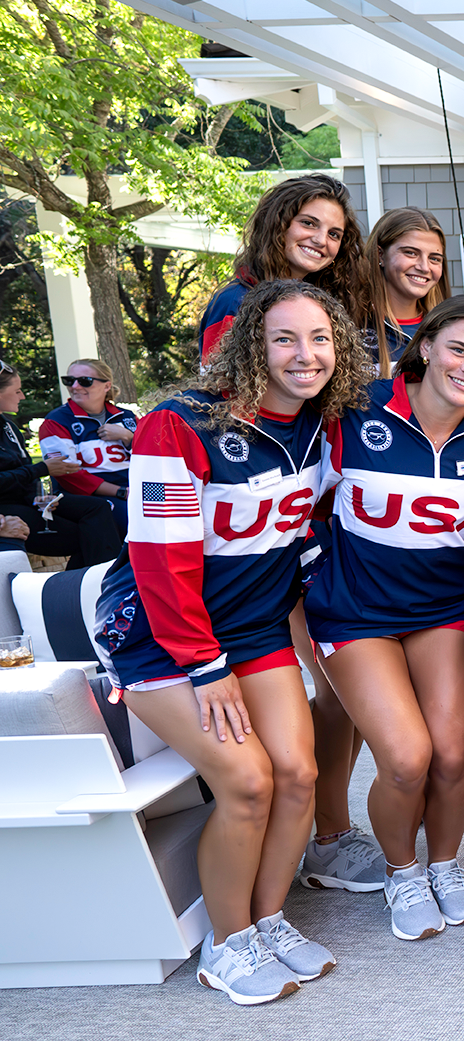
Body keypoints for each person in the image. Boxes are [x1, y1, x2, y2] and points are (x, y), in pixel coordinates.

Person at [96, 280, 371, 1005]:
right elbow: (160, 561)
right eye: (285, 338)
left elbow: (304, 528)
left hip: (252, 627)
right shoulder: (178, 425)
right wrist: (202, 665)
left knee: (300, 775)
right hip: (163, 637)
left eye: (319, 338)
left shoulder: (321, 423)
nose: (305, 354)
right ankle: (228, 943)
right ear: (251, 343)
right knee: (249, 783)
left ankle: (269, 920)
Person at [301, 296, 464, 941]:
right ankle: (402, 872)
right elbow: (294, 504)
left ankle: (443, 866)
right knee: (405, 758)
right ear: (425, 346)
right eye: (459, 348)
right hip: (355, 612)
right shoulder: (353, 409)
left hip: (443, 611)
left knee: (451, 757)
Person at [200, 174, 365, 359]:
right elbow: (219, 384)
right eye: (308, 223)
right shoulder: (234, 302)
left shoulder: (329, 303)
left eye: (334, 234)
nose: (321, 240)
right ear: (277, 225)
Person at [0, 361, 120, 568]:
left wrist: (38, 498)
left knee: (98, 510)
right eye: (17, 391)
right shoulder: (57, 420)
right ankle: (101, 588)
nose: (23, 396)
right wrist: (43, 468)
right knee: (91, 533)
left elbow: (26, 472)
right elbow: (35, 471)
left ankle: (91, 588)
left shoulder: (8, 426)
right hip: (7, 507)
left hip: (26, 502)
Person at [39, 358, 138, 529]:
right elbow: (67, 474)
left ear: (107, 386)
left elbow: (156, 456)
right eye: (69, 381)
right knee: (132, 521)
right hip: (93, 497)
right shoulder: (56, 422)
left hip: (135, 488)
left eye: (85, 381)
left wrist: (128, 437)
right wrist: (120, 492)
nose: (75, 386)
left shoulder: (127, 417)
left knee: (174, 512)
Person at [361, 206, 452, 375]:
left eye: (434, 258)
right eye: (411, 253)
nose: (424, 267)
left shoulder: (449, 328)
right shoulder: (349, 323)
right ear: (381, 255)